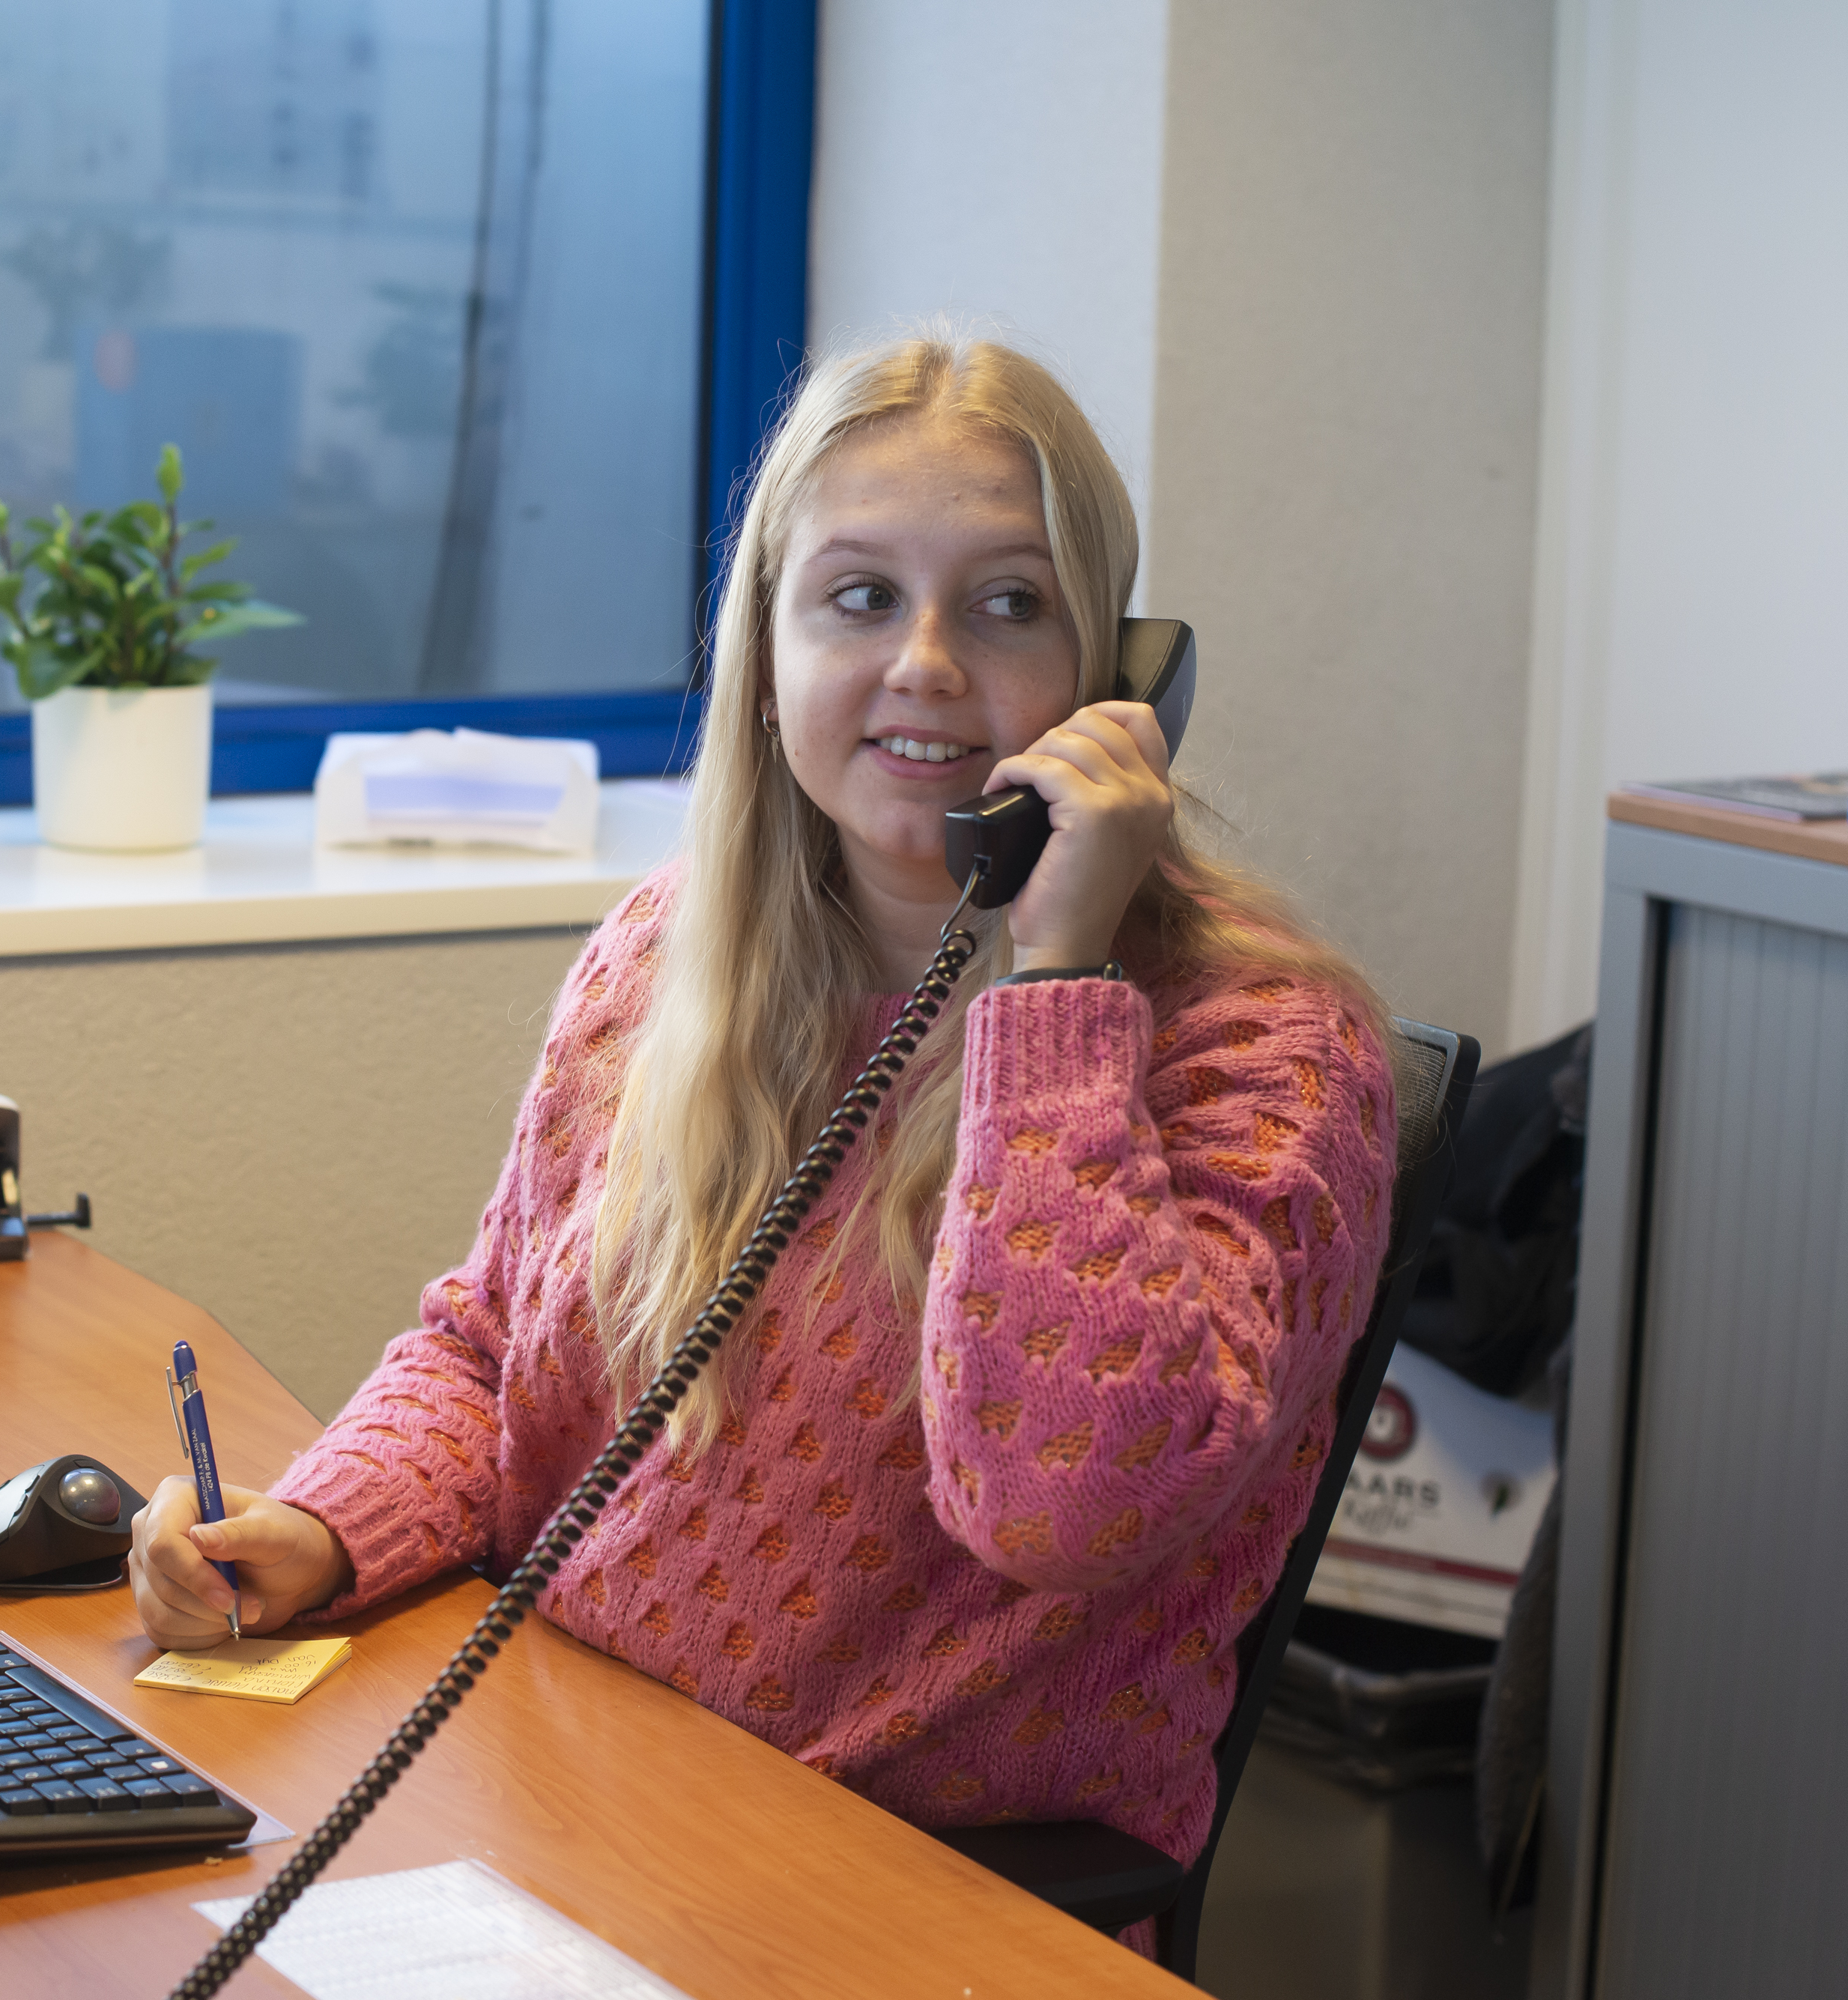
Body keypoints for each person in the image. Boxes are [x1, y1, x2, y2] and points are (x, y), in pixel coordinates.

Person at [130, 333, 1396, 1889]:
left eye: (1007, 603)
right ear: (767, 646)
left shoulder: (1258, 1051)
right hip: (558, 1804)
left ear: (1119, 679)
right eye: (858, 597)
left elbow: (1064, 1503)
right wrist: (325, 1527)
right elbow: (490, 1350)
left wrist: (1052, 978)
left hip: (901, 1900)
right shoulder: (667, 961)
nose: (925, 661)